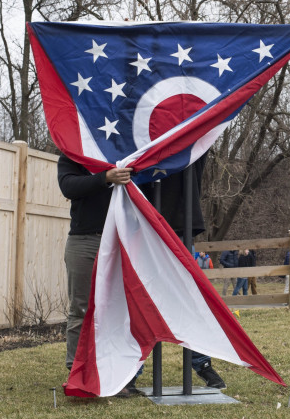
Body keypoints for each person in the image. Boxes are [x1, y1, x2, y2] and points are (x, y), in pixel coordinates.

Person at [58, 154, 226, 395]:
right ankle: (78, 372)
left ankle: (126, 374)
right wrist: (105, 178)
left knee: (136, 306)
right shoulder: (74, 151)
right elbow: (68, 186)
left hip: (128, 236)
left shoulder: (124, 150)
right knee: (81, 309)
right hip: (86, 238)